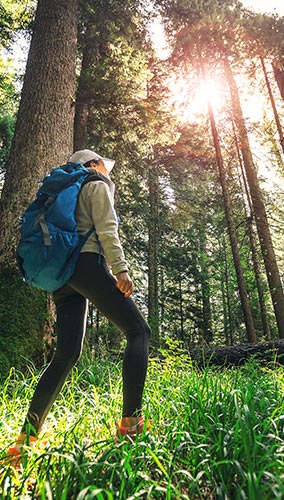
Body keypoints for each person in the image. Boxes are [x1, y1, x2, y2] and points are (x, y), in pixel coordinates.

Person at [6, 149, 151, 464]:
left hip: (62, 277)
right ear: (93, 164)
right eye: (104, 165)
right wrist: (120, 270)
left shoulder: (64, 188)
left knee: (66, 355)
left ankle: (24, 441)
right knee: (138, 331)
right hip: (85, 264)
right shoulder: (95, 182)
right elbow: (107, 229)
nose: (107, 171)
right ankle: (131, 425)